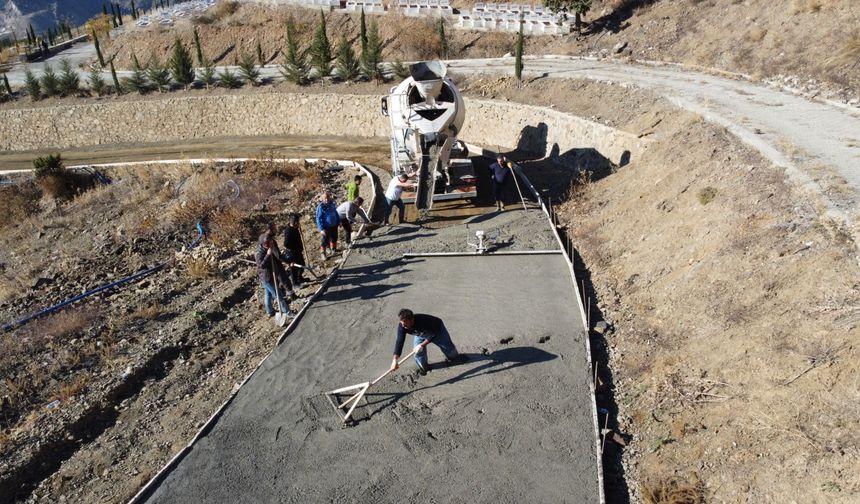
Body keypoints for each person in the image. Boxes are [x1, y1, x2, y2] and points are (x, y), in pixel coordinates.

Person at [390, 309, 468, 376]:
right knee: (418, 353)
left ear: (411, 320)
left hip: (437, 330)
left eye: (405, 322)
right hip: (420, 334)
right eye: (401, 322)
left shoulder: (423, 322)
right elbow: (400, 341)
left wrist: (422, 345)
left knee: (447, 347)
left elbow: (432, 335)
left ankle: (455, 359)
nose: (403, 325)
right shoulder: (402, 326)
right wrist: (395, 359)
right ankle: (424, 368)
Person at [255, 223, 295, 318]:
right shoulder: (259, 254)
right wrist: (268, 255)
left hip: (267, 275)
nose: (272, 246)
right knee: (278, 295)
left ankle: (270, 311)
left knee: (268, 293)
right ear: (266, 245)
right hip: (267, 277)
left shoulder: (265, 245)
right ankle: (287, 312)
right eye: (271, 245)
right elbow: (261, 265)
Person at [283, 213, 306, 289]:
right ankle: (295, 283)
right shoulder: (288, 231)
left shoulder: (295, 228)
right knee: (293, 268)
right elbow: (286, 244)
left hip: (298, 251)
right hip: (292, 252)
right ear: (295, 222)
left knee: (302, 264)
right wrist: (294, 248)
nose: (299, 223)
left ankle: (300, 278)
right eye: (298, 222)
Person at [315, 191, 340, 260]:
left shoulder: (332, 204)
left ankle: (333, 249)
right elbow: (318, 218)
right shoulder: (321, 207)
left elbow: (336, 213)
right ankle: (323, 253)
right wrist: (321, 229)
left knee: (334, 238)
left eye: (328, 197)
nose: (327, 199)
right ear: (322, 199)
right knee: (325, 241)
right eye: (325, 198)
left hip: (334, 225)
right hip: (326, 227)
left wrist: (338, 221)